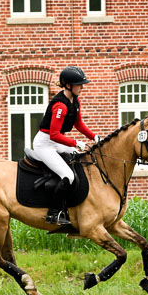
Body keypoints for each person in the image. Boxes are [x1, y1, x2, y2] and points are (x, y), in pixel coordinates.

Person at [30, 66, 99, 225]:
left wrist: (94, 136)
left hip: (56, 142)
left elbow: (79, 124)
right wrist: (76, 143)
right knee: (68, 176)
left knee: (79, 158)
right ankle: (53, 214)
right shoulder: (60, 106)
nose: (82, 88)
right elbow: (54, 135)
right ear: (68, 85)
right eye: (79, 85)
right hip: (44, 144)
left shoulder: (75, 101)